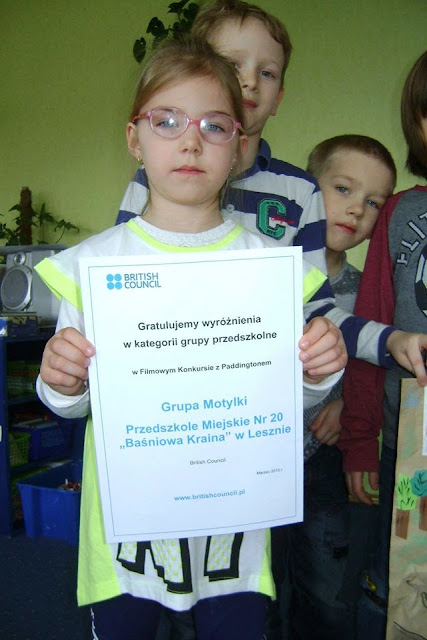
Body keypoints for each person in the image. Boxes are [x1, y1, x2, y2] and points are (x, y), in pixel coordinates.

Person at [35, 38, 347, 640]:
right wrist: (62, 381)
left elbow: (283, 400)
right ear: (135, 139)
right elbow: (72, 403)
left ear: (238, 147)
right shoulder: (92, 267)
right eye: (167, 120)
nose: (190, 141)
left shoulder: (269, 268)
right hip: (128, 538)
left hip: (234, 534)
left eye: (214, 125)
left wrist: (317, 373)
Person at [117, 0, 427, 385]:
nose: (249, 81)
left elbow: (317, 313)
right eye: (231, 64)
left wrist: (391, 340)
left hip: (258, 390)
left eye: (266, 72)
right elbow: (120, 293)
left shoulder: (301, 193)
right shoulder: (153, 180)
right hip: (169, 377)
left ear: (278, 97)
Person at [272, 135, 396, 640]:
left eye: (373, 202)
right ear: (307, 190)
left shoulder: (367, 291)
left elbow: (372, 363)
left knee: (325, 589)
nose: (356, 209)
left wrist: (345, 402)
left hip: (323, 461)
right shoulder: (271, 272)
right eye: (342, 189)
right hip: (261, 455)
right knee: (262, 587)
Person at [338, 50, 427, 640]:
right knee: (405, 595)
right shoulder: (399, 212)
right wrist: (360, 443)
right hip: (408, 448)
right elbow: (370, 331)